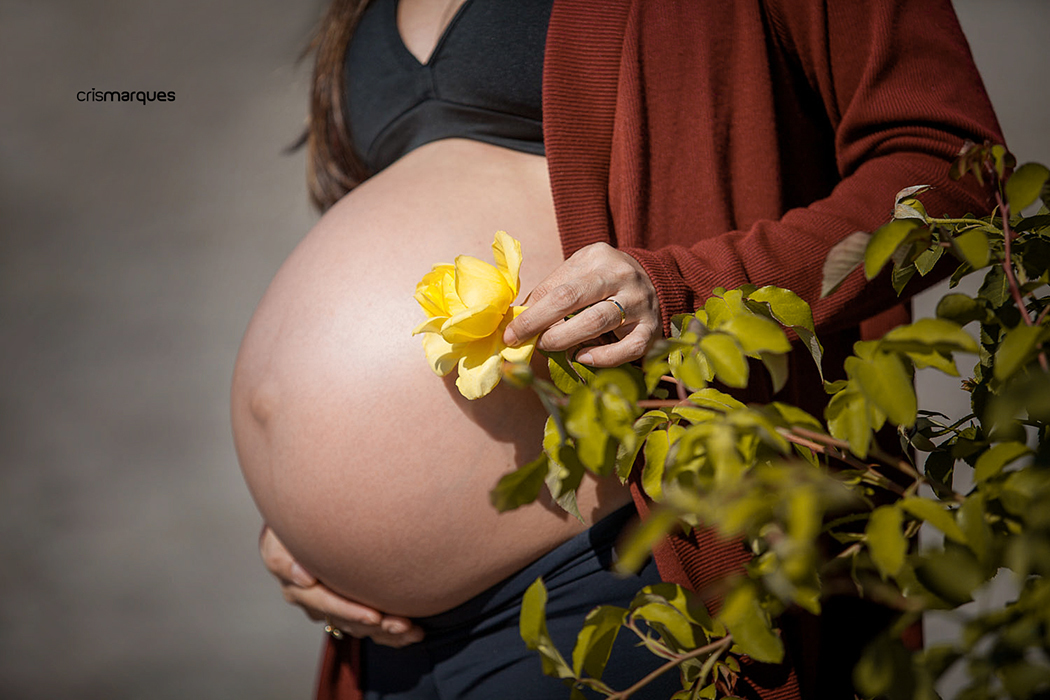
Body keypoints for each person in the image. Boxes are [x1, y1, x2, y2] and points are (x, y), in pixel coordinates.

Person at [236, 0, 1003, 698]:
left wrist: (689, 290)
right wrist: (309, 530)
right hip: (385, 638)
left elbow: (950, 169)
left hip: (621, 568)